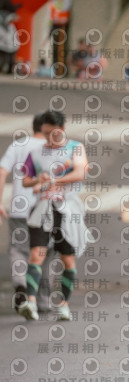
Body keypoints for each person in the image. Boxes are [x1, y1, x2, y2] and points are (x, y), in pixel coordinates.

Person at [20, 110, 90, 320]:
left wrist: (54, 181)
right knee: (36, 254)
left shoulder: (75, 148)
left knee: (67, 259)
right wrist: (38, 180)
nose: (49, 137)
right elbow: (26, 179)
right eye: (45, 133)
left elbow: (80, 172)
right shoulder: (36, 152)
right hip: (42, 209)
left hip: (66, 210)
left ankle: (64, 305)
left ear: (63, 129)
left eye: (54, 132)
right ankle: (30, 302)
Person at [0, 113, 56, 315]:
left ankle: (21, 284)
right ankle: (43, 301)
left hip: (19, 209)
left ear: (34, 127)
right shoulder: (53, 149)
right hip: (45, 210)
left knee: (18, 249)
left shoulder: (19, 144)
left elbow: (2, 171)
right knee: (45, 253)